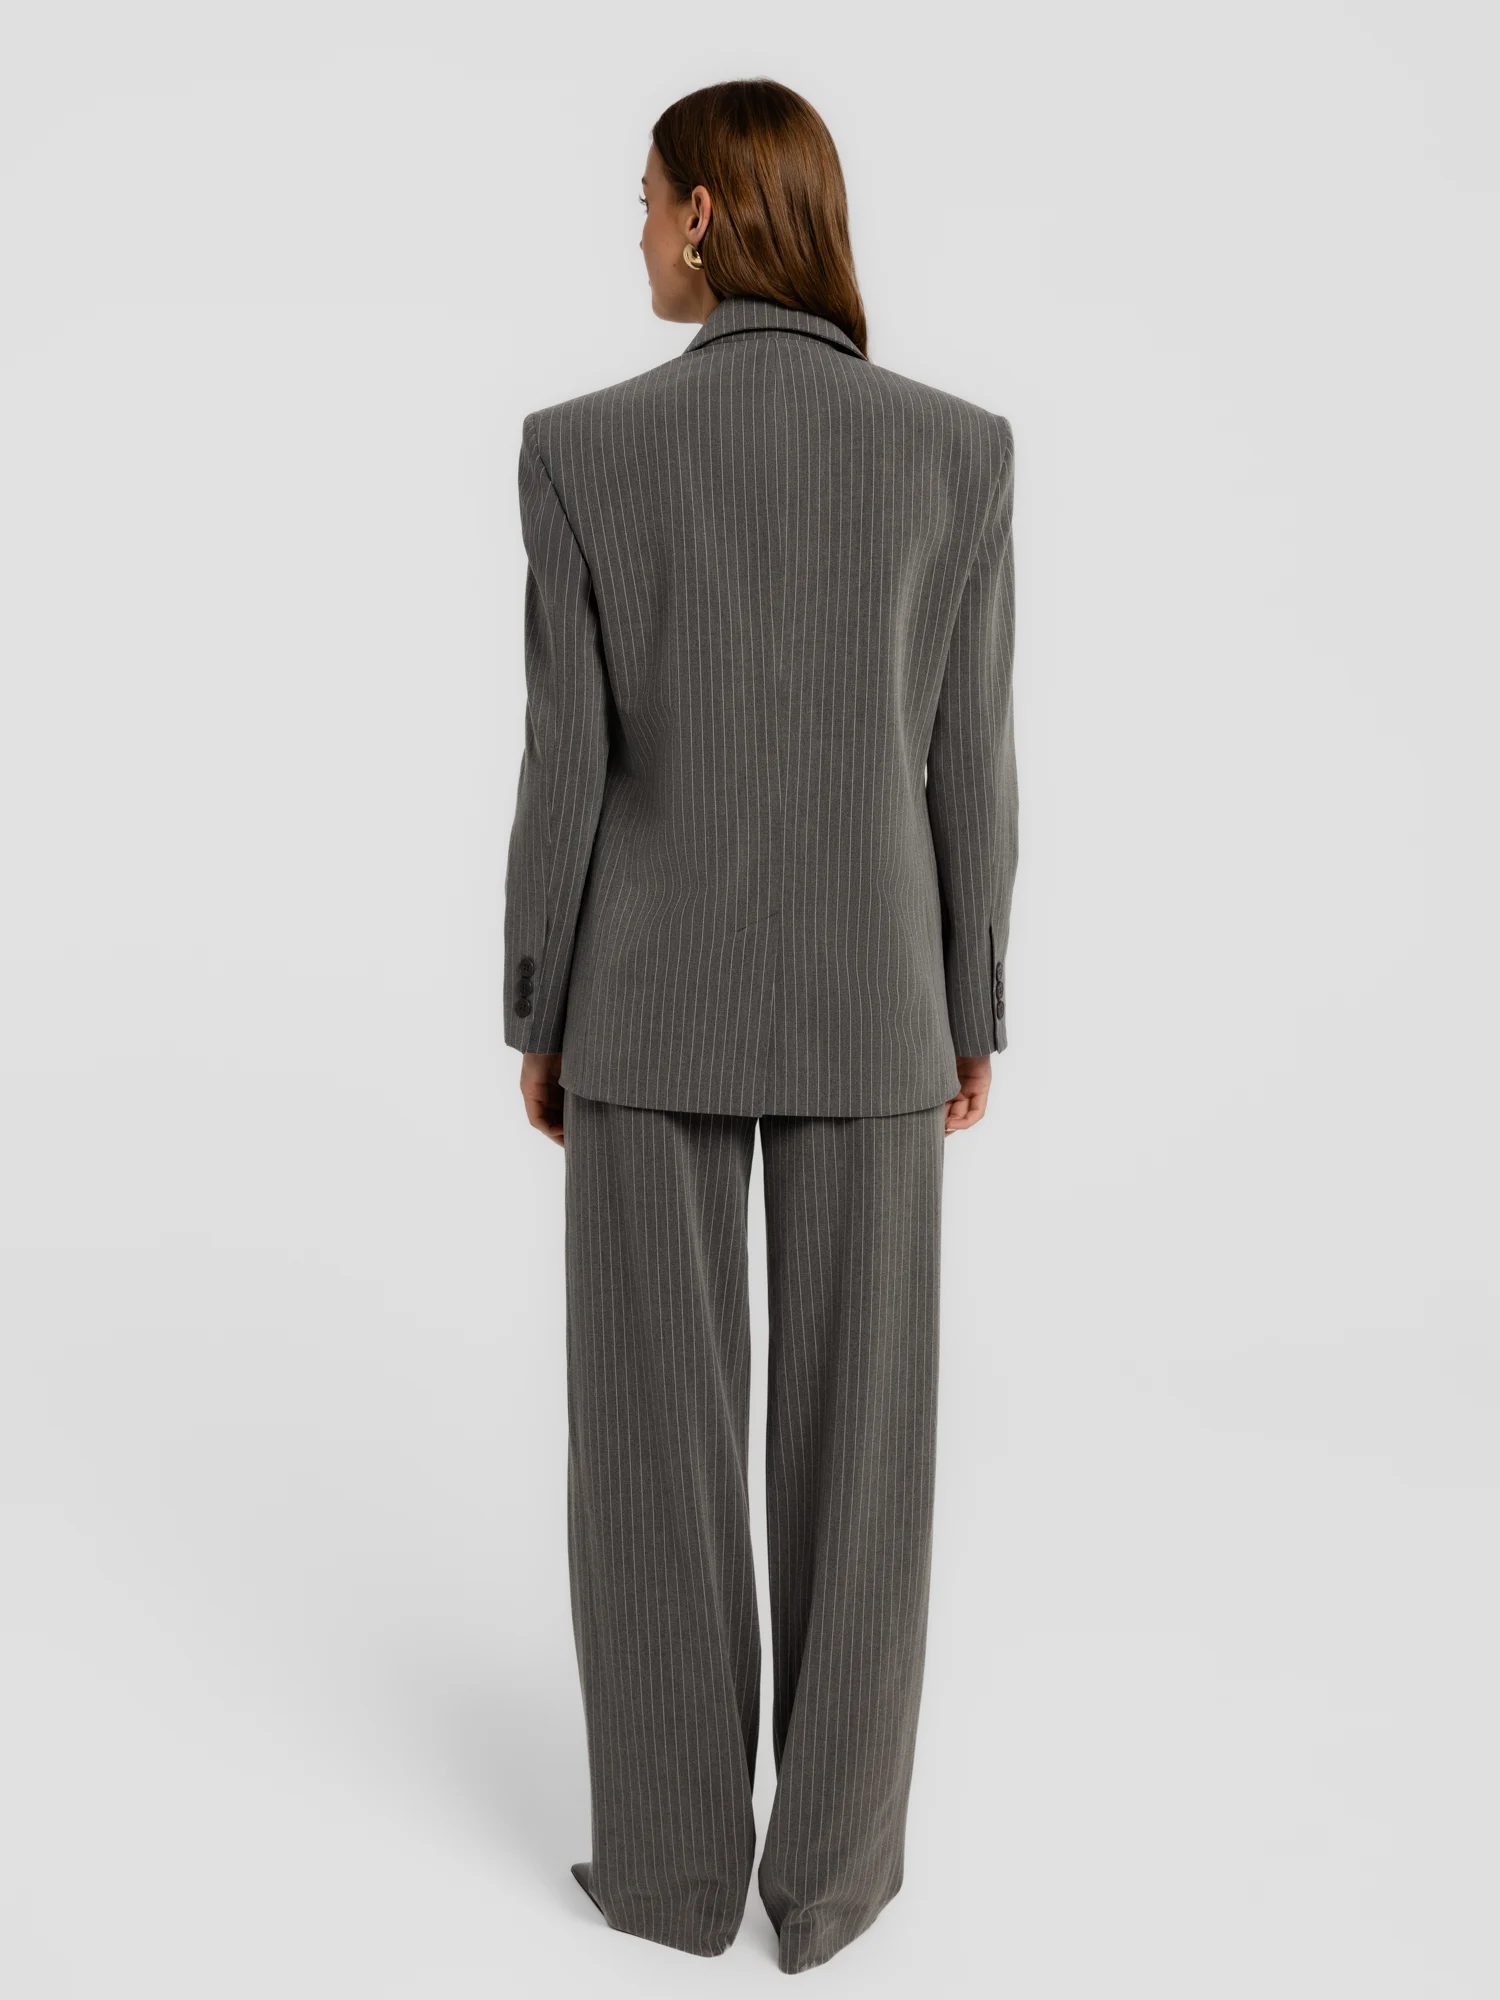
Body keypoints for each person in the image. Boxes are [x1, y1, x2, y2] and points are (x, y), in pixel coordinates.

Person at [502, 77, 1017, 1975]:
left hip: (646, 1004)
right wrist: (971, 999)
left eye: (645, 199)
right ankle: (836, 1883)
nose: (636, 229)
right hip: (881, 1004)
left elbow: (566, 769)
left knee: (648, 1445)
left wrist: (540, 1006)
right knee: (866, 1464)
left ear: (711, 214)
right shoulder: (957, 454)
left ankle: (665, 1874)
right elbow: (975, 771)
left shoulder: (583, 451)